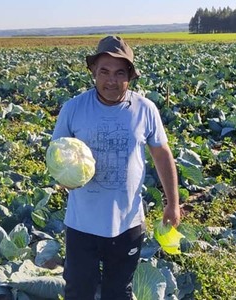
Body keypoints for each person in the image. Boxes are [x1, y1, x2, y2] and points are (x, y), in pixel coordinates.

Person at [50, 35, 181, 300]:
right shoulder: (73, 109)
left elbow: (161, 153)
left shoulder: (145, 109)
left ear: (130, 76)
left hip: (128, 222)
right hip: (82, 223)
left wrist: (173, 203)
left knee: (119, 291)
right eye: (104, 72)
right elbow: (57, 154)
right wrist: (64, 177)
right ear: (93, 72)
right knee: (78, 290)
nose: (111, 80)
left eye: (120, 73)